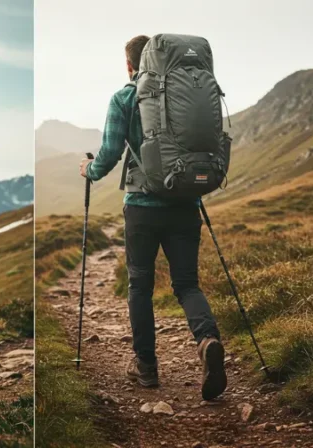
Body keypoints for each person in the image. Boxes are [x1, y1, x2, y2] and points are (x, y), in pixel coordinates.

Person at [78, 35, 227, 401]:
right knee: (187, 284)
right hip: (186, 202)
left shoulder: (125, 97)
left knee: (140, 287)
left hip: (142, 207)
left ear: (131, 65)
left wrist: (89, 170)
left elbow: (110, 153)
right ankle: (207, 339)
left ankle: (146, 367)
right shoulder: (182, 93)